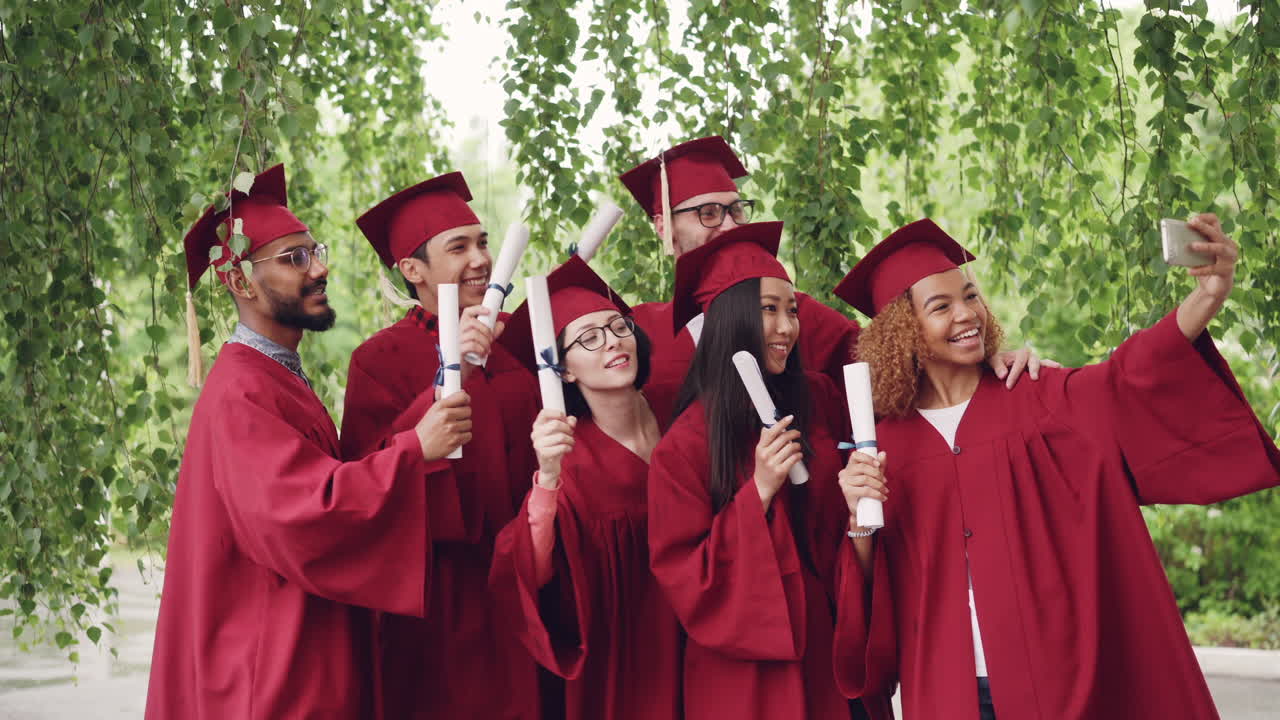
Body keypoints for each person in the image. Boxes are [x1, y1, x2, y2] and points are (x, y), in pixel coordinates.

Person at [829, 216, 1280, 720]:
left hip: (1055, 685)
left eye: (971, 296)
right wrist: (859, 522)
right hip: (946, 689)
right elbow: (877, 586)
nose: (967, 314)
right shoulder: (887, 444)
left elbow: (1126, 380)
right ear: (903, 331)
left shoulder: (1038, 398)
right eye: (941, 306)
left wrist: (1208, 297)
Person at [147, 164, 472, 719]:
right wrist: (415, 448)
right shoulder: (242, 392)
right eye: (295, 258)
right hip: (268, 672)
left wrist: (426, 414)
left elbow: (331, 480)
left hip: (296, 655)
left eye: (315, 250)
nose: (320, 268)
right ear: (240, 281)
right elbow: (304, 513)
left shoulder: (276, 374)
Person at [646, 221, 881, 720]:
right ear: (729, 320)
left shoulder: (817, 399)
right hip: (744, 675)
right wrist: (760, 492)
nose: (787, 327)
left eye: (792, 310)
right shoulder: (685, 445)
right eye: (768, 310)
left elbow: (835, 538)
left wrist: (858, 515)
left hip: (827, 648)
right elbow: (686, 580)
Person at [340, 171, 541, 720]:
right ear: (412, 270)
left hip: (530, 586)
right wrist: (455, 374)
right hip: (442, 604)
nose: (481, 259)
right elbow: (368, 477)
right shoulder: (380, 360)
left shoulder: (518, 342)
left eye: (483, 242)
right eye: (459, 247)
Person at [617, 136, 1046, 391]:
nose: (729, 226)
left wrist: (979, 360)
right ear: (663, 228)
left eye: (737, 209)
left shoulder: (803, 317)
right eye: (708, 213)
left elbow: (896, 368)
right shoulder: (640, 332)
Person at [488, 255, 683, 720]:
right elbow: (533, 572)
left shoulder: (680, 411)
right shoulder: (569, 457)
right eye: (588, 338)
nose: (612, 343)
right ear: (565, 370)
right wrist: (548, 479)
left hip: (703, 628)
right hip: (632, 654)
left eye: (618, 327)